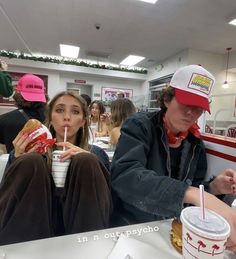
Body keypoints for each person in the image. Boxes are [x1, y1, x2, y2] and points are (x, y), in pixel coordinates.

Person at [111, 65, 236, 251]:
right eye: (186, 103)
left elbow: (191, 193)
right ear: (167, 99)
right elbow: (125, 177)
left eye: (199, 108)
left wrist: (214, 187)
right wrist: (192, 193)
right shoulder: (140, 126)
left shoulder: (195, 144)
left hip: (172, 229)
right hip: (131, 227)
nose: (191, 113)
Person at [0, 91, 112, 245]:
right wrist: (19, 160)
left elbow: (109, 200)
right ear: (50, 119)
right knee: (32, 162)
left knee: (86, 160)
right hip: (32, 227)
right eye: (59, 110)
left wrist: (91, 162)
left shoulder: (97, 153)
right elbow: (6, 196)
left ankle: (90, 249)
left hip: (84, 232)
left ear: (83, 121)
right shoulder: (28, 151)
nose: (67, 117)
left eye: (75, 111)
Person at [0, 74, 47, 153]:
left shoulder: (3, 120)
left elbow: (2, 152)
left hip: (16, 164)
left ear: (18, 94)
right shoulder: (53, 118)